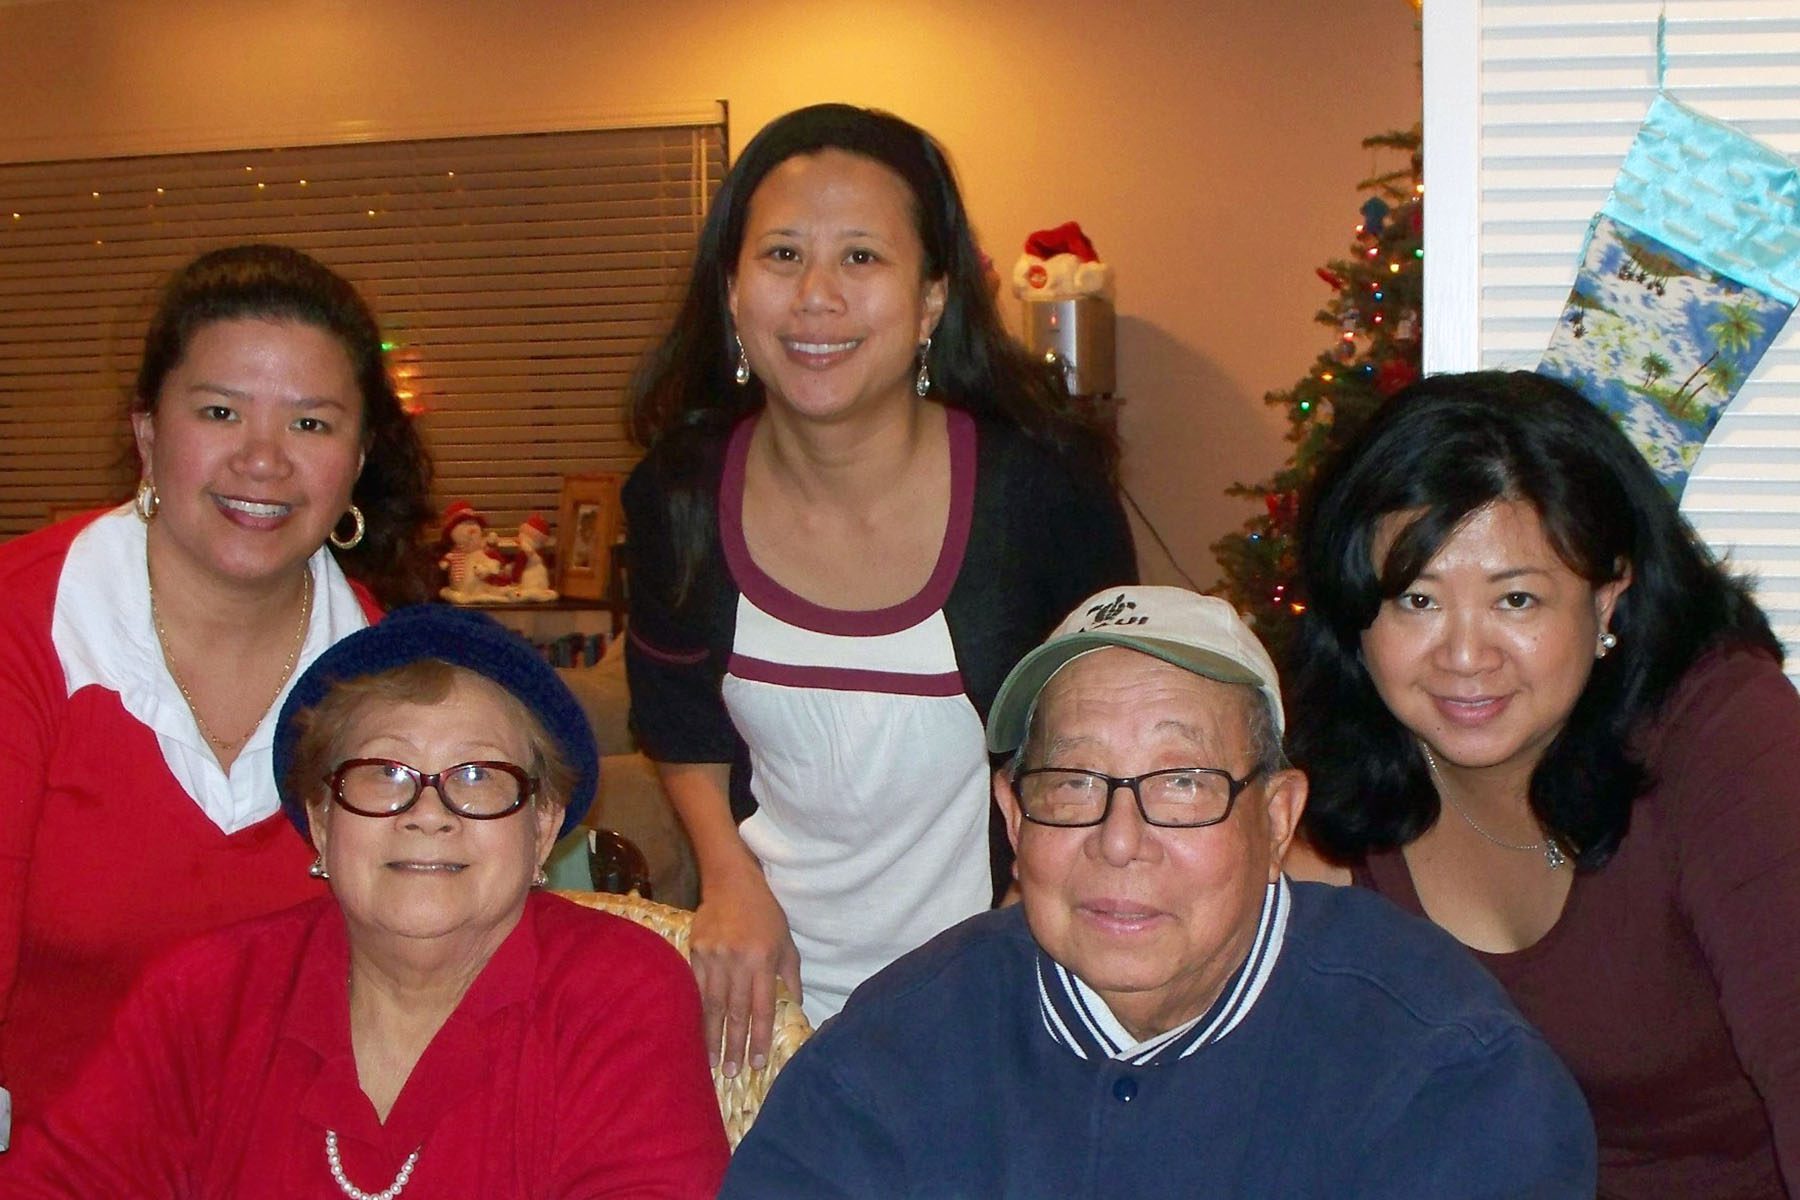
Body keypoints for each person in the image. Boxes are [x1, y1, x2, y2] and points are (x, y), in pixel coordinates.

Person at [721, 586, 1595, 1198]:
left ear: (1278, 818)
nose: (1120, 841)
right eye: (1070, 782)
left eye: (1182, 782)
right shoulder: (893, 1052)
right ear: (1014, 820)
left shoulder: (1440, 1068)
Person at [623, 103, 1136, 1066]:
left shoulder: (1041, 493)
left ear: (934, 297)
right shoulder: (678, 492)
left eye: (862, 257)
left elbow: (1105, 734)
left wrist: (1035, 921)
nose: (817, 296)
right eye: (781, 255)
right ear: (732, 290)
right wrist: (726, 877)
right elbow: (678, 717)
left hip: (1004, 991)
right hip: (764, 1000)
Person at [1282, 370, 1800, 1198]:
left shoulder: (1724, 733)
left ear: (1607, 601)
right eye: (1417, 600)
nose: (1463, 656)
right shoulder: (1329, 782)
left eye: (1516, 599)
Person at [5, 605, 729, 1196]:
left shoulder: (619, 990)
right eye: (384, 773)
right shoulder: (206, 995)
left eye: (477, 775)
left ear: (542, 827)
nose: (428, 812)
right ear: (322, 820)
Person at [0, 243, 434, 1140]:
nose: (264, 460)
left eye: (311, 425)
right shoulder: (27, 628)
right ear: (149, 435)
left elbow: (430, 983)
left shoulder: (394, 682)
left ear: (357, 462)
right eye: (221, 411)